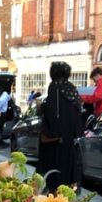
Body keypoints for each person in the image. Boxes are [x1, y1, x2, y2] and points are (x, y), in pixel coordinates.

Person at [38, 61, 84, 189]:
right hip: (68, 138)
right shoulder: (71, 89)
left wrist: (41, 106)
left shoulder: (55, 87)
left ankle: (54, 193)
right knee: (66, 168)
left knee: (54, 168)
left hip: (56, 139)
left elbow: (52, 111)